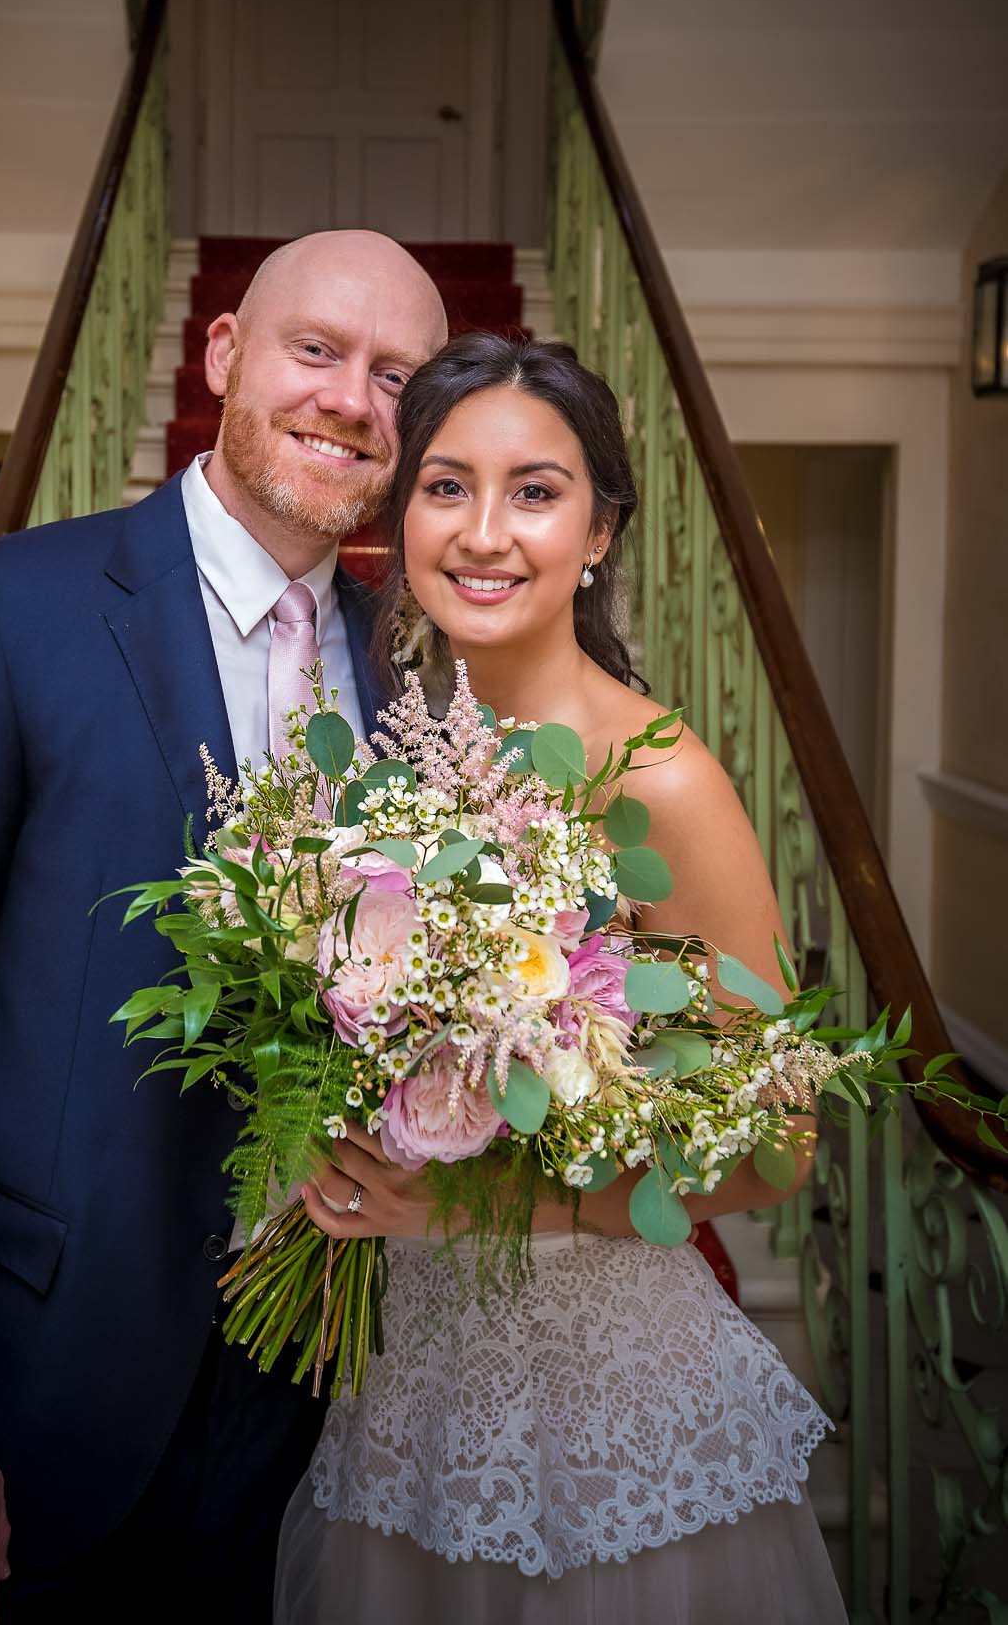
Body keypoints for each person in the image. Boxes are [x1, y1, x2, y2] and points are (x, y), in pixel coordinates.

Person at [0, 230, 448, 1624]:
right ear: (223, 358)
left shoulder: (415, 667)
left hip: (329, 1384)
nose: (350, 398)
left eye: (398, 375)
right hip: (48, 1377)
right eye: (315, 351)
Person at [276, 333, 847, 1623]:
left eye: (537, 490)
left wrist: (466, 1207)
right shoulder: (395, 758)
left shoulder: (663, 782)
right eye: (444, 485)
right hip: (408, 1390)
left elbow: (775, 1151)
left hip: (601, 1413)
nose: (485, 533)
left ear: (599, 534)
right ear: (400, 519)